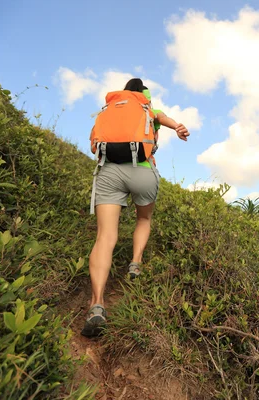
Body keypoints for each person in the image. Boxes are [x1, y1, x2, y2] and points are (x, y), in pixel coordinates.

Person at [81, 78, 189, 337]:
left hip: (108, 172)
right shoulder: (147, 108)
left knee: (105, 237)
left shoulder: (109, 109)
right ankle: (135, 262)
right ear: (144, 94)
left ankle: (97, 304)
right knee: (143, 219)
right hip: (142, 171)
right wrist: (178, 128)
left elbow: (93, 143)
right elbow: (166, 119)